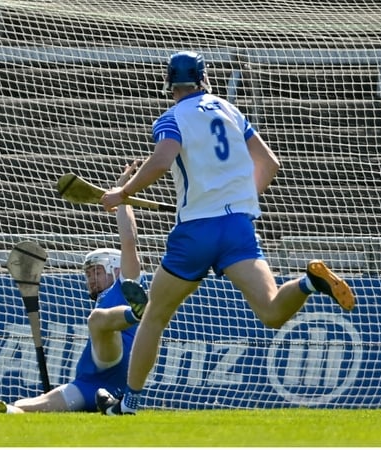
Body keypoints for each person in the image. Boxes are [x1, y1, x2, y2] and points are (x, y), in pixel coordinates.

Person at [95, 51, 356, 415]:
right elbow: (270, 162)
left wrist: (122, 194)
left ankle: (130, 403)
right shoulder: (229, 110)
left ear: (170, 84)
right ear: (204, 79)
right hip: (237, 227)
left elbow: (161, 160)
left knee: (155, 314)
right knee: (271, 312)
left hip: (196, 232)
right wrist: (239, 198)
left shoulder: (172, 117)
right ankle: (310, 284)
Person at [0, 163, 148, 414]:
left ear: (115, 269)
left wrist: (122, 194)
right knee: (26, 406)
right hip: (88, 383)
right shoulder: (101, 297)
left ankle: (136, 313)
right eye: (88, 274)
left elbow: (129, 240)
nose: (91, 279)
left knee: (97, 320)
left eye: (96, 271)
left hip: (115, 361)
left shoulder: (127, 284)